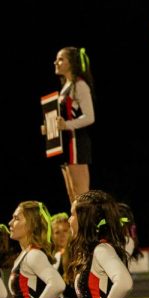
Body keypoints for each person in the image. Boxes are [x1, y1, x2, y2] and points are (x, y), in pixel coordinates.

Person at [48, 46, 95, 204]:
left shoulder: (79, 85)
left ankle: (87, 227)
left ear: (72, 63)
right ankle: (77, 228)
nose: (56, 62)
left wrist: (67, 124)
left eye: (61, 59)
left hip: (77, 143)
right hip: (66, 145)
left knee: (81, 196)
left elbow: (90, 117)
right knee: (72, 197)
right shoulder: (65, 87)